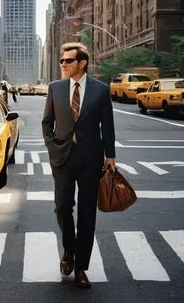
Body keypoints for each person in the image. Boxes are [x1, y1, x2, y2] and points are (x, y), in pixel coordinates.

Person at [41, 42, 116, 289]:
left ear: (81, 63)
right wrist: (53, 147)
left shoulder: (101, 90)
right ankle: (68, 250)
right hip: (62, 158)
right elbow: (46, 122)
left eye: (67, 61)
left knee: (87, 213)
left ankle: (81, 267)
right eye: (62, 60)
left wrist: (110, 156)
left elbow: (107, 125)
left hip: (90, 159)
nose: (63, 64)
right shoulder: (55, 88)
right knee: (62, 206)